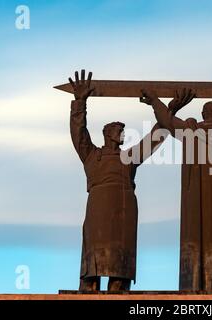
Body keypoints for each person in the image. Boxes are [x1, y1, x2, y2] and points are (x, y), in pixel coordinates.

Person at [69, 70, 194, 291]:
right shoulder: (91, 155)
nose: (123, 135)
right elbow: (79, 133)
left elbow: (154, 139)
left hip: (124, 212)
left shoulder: (129, 157)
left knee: (120, 268)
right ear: (108, 134)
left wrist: (171, 110)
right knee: (92, 266)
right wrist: (80, 102)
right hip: (98, 210)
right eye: (119, 131)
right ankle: (89, 290)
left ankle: (119, 289)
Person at [141, 83, 212, 291]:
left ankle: (200, 280)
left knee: (199, 233)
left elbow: (166, 121)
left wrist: (155, 100)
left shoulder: (191, 132)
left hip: (199, 204)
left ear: (203, 114)